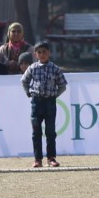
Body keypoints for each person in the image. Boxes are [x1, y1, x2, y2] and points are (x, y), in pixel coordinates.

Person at [22, 40, 68, 168]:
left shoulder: (55, 68)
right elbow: (24, 81)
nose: (42, 54)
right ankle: (37, 159)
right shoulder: (32, 68)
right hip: (36, 103)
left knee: (50, 131)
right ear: (36, 54)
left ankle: (51, 158)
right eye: (39, 52)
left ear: (49, 53)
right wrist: (28, 93)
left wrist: (54, 95)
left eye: (44, 52)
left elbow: (63, 85)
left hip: (50, 103)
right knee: (36, 132)